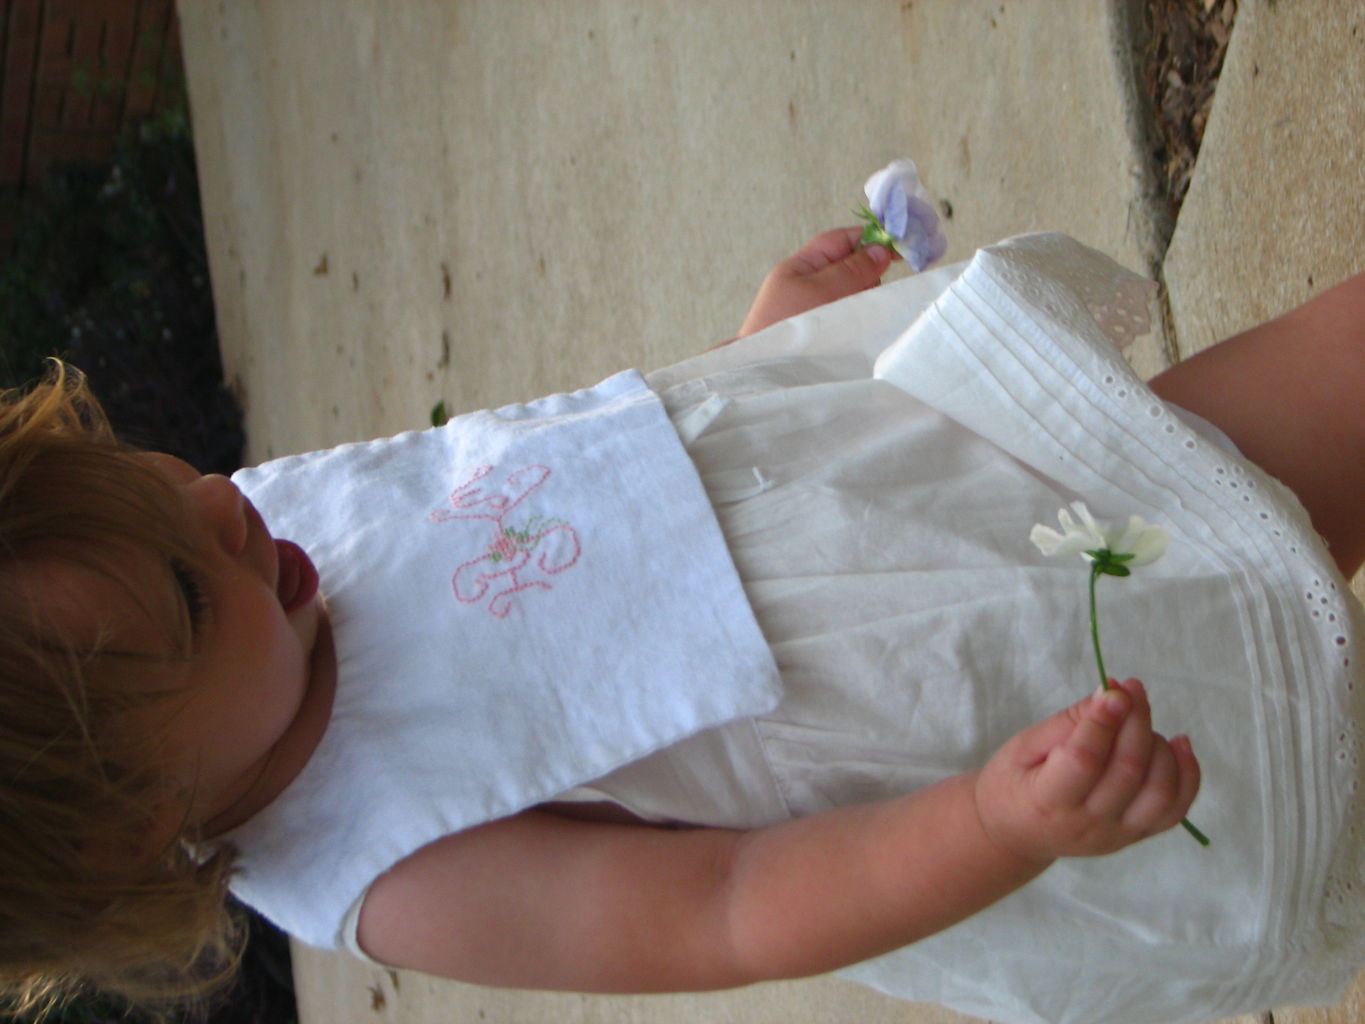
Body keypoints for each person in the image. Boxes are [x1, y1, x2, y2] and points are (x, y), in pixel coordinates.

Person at [1, 227, 1362, 1024]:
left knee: (1292, 424)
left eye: (158, 481)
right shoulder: (392, 867)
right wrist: (992, 828)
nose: (226, 516)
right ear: (132, 817)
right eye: (183, 590)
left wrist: (753, 353)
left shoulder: (270, 562)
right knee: (1268, 677)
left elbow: (566, 490)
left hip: (949, 481)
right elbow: (727, 912)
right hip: (1000, 702)